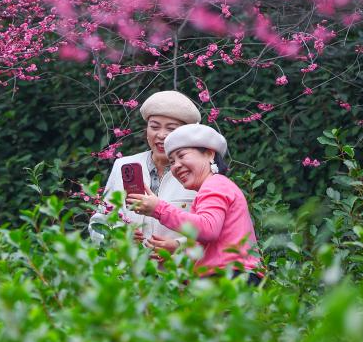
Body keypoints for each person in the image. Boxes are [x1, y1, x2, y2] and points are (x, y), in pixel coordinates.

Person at [127, 123, 263, 282]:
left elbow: (208, 228)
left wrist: (158, 208)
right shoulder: (216, 185)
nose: (176, 166)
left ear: (210, 154)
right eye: (172, 161)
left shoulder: (215, 184)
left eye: (182, 155)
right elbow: (213, 244)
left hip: (230, 278)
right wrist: (177, 249)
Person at [88, 90, 200, 244]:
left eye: (171, 129)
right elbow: (99, 223)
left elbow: (214, 230)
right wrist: (116, 236)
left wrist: (179, 246)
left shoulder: (199, 172)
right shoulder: (123, 166)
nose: (161, 135)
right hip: (129, 259)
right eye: (154, 127)